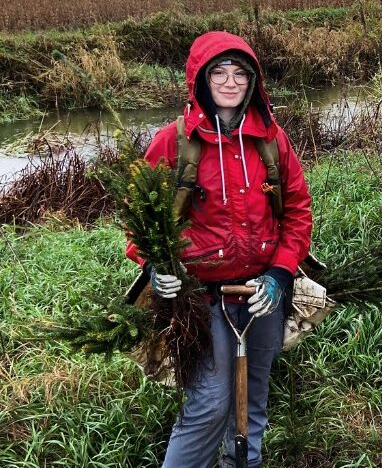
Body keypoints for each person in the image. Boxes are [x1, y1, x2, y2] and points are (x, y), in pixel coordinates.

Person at [125, 31, 312, 466]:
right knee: (208, 403)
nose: (230, 83)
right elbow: (139, 218)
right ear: (200, 80)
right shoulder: (173, 143)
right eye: (219, 73)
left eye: (240, 74)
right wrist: (153, 263)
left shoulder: (271, 139)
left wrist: (282, 272)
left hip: (263, 292)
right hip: (199, 298)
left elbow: (298, 212)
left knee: (253, 398)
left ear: (253, 81)